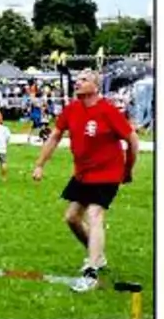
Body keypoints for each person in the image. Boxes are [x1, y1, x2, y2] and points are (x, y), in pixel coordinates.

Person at [31, 73, 140, 293]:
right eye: (77, 79)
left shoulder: (108, 111)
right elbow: (55, 136)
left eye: (83, 79)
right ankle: (97, 256)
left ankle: (90, 271)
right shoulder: (72, 109)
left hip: (108, 172)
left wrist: (128, 169)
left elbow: (132, 139)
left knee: (94, 214)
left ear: (95, 86)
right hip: (83, 174)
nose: (77, 82)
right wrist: (40, 164)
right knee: (71, 218)